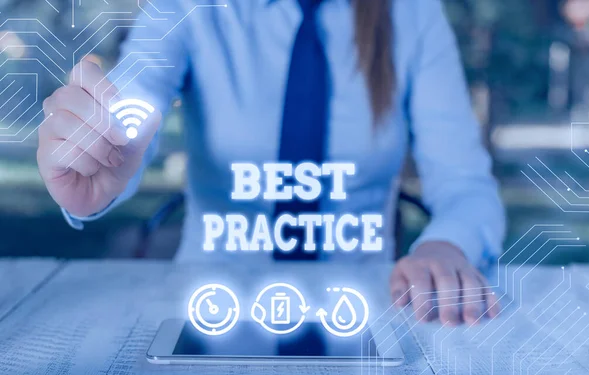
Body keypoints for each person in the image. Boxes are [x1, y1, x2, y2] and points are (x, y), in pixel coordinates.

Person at [36, 0, 505, 326]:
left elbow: (465, 183)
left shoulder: (412, 15)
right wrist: (102, 147)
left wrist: (447, 246)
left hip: (366, 308)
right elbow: (138, 92)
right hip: (209, 305)